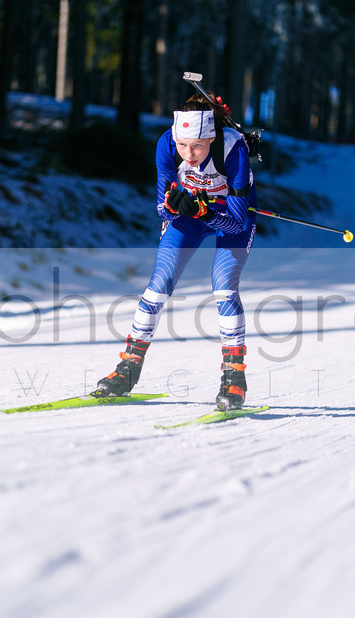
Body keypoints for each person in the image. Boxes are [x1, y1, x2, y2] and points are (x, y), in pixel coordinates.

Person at [92, 93, 258, 411]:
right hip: (192, 216)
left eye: (197, 145)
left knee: (223, 287)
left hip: (230, 216)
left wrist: (205, 212)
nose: (189, 153)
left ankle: (234, 380)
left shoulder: (233, 149)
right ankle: (127, 371)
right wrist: (172, 206)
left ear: (211, 137)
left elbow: (236, 224)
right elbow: (162, 207)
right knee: (158, 285)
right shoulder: (167, 144)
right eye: (183, 145)